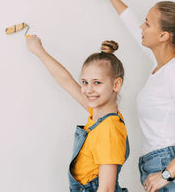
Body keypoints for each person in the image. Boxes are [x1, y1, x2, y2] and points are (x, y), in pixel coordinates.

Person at [90, 0, 175, 192]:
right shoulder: (162, 65)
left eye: (147, 23)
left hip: (169, 172)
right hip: (157, 167)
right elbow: (132, 26)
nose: (142, 26)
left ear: (163, 36)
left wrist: (167, 174)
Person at [25, 36, 130, 192]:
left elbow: (107, 189)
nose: (88, 90)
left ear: (116, 84)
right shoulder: (98, 114)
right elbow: (66, 81)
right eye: (85, 82)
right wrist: (39, 51)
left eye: (97, 82)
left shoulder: (108, 130)